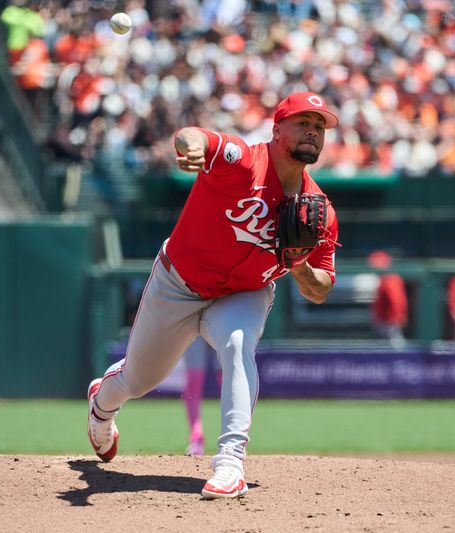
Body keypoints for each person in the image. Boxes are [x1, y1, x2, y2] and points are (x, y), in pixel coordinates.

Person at [86, 91, 340, 499]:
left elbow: (321, 289)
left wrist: (297, 264)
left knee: (238, 345)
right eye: (302, 123)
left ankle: (230, 463)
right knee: (138, 379)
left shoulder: (320, 212)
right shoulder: (243, 161)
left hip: (244, 292)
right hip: (179, 282)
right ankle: (102, 403)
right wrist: (188, 150)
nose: (312, 131)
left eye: (319, 126)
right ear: (277, 130)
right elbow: (196, 137)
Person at [181, 337, 221, 456]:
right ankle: (196, 439)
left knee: (228, 379)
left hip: (224, 319)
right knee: (194, 379)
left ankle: (234, 440)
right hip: (193, 322)